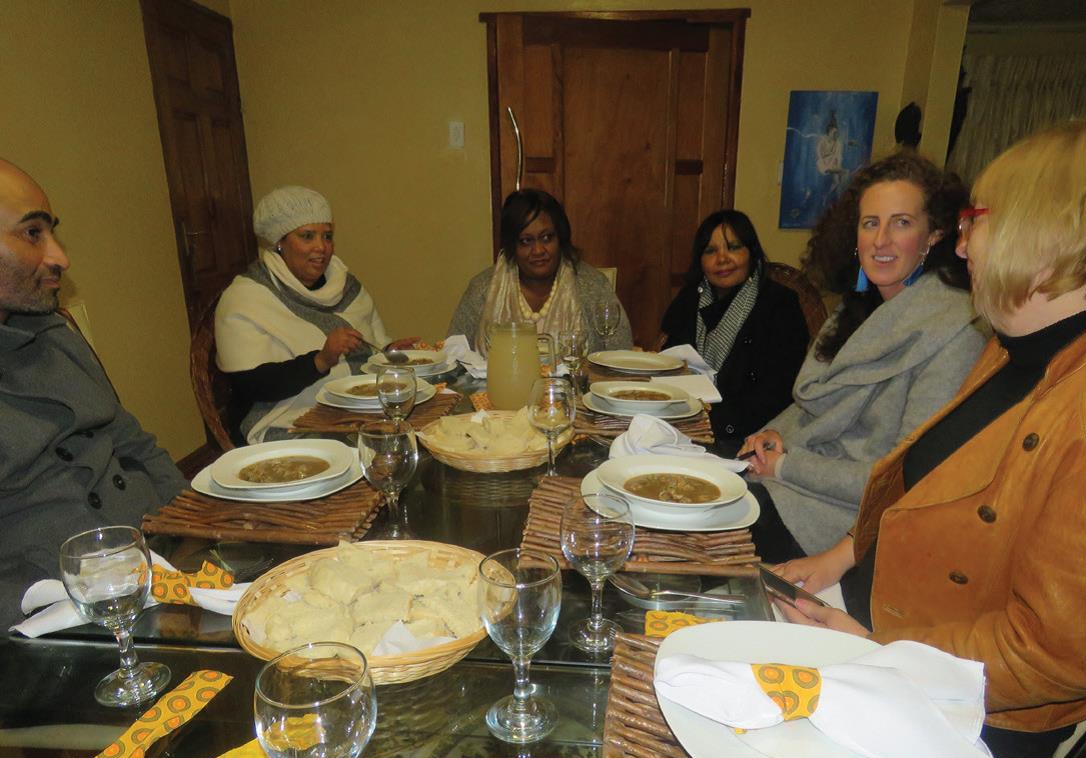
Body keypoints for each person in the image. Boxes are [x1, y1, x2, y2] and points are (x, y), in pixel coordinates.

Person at [774, 118, 1086, 758]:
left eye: (975, 222)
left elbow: (1050, 654)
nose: (962, 246)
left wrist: (882, 655)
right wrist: (833, 561)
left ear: (1047, 228)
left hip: (966, 708)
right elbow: (922, 487)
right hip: (883, 625)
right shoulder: (1014, 344)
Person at [739, 153, 986, 563]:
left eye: (901, 223)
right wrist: (769, 436)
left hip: (846, 529)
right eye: (870, 223)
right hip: (794, 487)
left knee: (692, 520)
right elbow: (812, 408)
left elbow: (903, 479)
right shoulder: (860, 306)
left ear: (935, 235)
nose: (881, 240)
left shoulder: (956, 333)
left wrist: (784, 466)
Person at [0, 159, 186, 626]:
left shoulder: (54, 331)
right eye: (32, 234)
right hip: (65, 615)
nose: (60, 256)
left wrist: (193, 526)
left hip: (159, 556)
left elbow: (132, 441)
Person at [215, 186, 409, 443]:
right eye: (307, 236)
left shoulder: (346, 285)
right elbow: (251, 385)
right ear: (279, 243)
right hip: (284, 423)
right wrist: (320, 360)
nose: (322, 247)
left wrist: (390, 352)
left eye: (327, 236)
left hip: (358, 411)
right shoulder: (246, 297)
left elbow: (370, 348)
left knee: (414, 431)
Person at [660, 210, 810, 440]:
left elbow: (779, 392)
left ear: (751, 252)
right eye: (711, 251)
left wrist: (711, 425)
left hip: (748, 435)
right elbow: (666, 363)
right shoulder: (689, 298)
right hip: (682, 423)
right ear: (700, 260)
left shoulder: (779, 304)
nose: (722, 259)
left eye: (733, 247)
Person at [447, 189, 632, 355]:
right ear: (512, 246)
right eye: (526, 241)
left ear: (560, 238)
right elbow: (453, 354)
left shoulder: (592, 285)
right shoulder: (483, 288)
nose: (538, 250)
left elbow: (621, 353)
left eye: (546, 238)